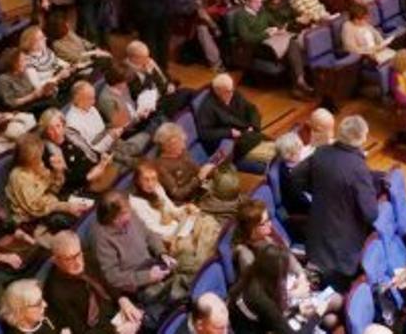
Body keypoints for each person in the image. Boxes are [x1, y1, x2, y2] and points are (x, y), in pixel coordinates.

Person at [289, 114, 380, 290]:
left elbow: (295, 177)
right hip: (343, 250)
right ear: (361, 138)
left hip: (317, 236)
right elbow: (371, 214)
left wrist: (318, 191)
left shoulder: (322, 152)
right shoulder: (358, 168)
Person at [90, 190, 178, 325]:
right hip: (133, 284)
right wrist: (147, 277)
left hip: (150, 265)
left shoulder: (130, 214)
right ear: (112, 218)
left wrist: (162, 253)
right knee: (165, 311)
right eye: (124, 214)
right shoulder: (101, 237)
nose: (129, 216)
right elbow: (113, 277)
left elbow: (149, 234)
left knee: (183, 272)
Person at [44, 230, 143, 334]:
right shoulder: (55, 293)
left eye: (78, 254)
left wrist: (122, 299)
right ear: (56, 260)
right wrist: (116, 331)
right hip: (101, 329)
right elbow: (79, 331)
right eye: (69, 259)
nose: (77, 262)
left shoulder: (87, 257)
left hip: (116, 310)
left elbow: (106, 282)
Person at [196, 73, 276, 166]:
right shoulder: (208, 107)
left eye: (232, 90)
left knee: (279, 148)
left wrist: (253, 126)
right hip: (233, 144)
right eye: (227, 91)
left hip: (249, 134)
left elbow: (251, 109)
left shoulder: (233, 94)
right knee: (274, 155)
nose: (231, 93)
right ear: (217, 91)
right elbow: (205, 133)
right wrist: (229, 132)